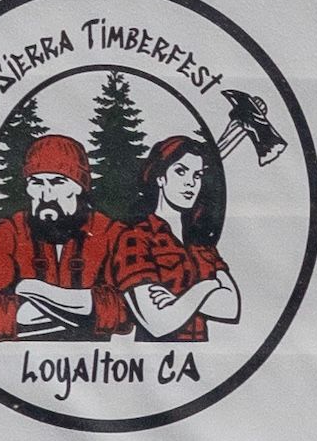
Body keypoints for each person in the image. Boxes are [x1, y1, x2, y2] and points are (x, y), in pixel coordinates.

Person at [0, 133, 115, 339]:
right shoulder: (8, 233)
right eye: (36, 183)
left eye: (57, 182)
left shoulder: (109, 232)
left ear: (79, 186)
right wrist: (87, 309)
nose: (46, 195)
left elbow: (125, 309)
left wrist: (34, 290)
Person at [102, 134, 241, 343]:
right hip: (152, 362)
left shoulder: (200, 242)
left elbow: (232, 308)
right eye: (181, 172)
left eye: (197, 175)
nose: (190, 183)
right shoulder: (135, 237)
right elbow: (157, 322)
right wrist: (208, 286)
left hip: (201, 360)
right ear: (160, 177)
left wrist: (177, 299)